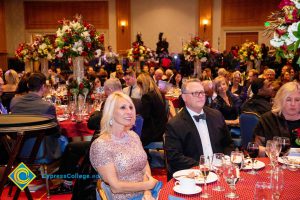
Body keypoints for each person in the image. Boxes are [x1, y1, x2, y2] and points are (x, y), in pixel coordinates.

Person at [90, 91, 158, 200]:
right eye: (123, 108)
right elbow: (115, 187)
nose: (129, 112)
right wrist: (147, 185)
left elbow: (145, 167)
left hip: (147, 193)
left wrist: (147, 193)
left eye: (131, 108)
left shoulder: (133, 136)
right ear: (111, 112)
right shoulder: (101, 145)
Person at [165, 79, 234, 178]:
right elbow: (174, 157)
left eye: (202, 92)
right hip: (193, 176)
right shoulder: (175, 124)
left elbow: (228, 143)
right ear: (184, 97)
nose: (201, 96)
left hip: (220, 172)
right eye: (195, 93)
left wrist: (225, 159)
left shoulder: (216, 115)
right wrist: (203, 166)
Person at [10, 72, 65, 162]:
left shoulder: (14, 101)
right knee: (65, 141)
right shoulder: (47, 106)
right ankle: (61, 173)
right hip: (41, 151)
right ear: (43, 87)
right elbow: (56, 133)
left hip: (18, 150)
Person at [254, 82, 300, 151]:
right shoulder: (267, 119)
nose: (293, 104)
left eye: (297, 100)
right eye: (288, 100)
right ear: (281, 100)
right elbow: (256, 147)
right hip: (274, 160)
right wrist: (270, 151)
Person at [137, 73, 167, 146]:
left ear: (142, 85)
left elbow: (145, 116)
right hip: (161, 129)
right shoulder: (159, 94)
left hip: (153, 132)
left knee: (132, 135)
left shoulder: (147, 96)